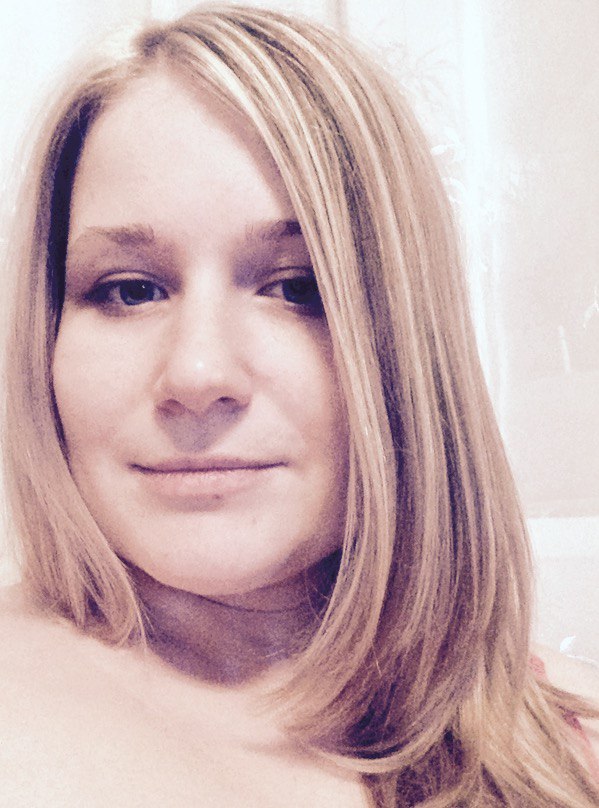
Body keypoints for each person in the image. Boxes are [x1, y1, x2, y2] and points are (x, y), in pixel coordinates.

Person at [0, 4, 597, 806]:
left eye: (295, 287)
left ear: (405, 345)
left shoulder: (565, 748)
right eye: (130, 290)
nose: (197, 372)